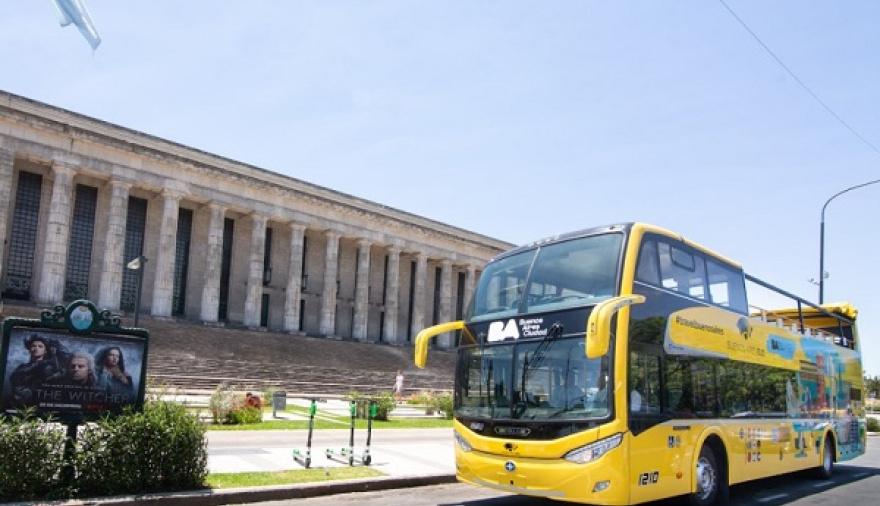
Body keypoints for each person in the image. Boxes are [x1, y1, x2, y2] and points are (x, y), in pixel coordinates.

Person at [9, 334, 67, 403]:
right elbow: (14, 381)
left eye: (40, 346)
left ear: (45, 351)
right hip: (19, 401)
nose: (36, 348)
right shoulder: (22, 367)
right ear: (29, 349)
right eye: (33, 346)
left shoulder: (48, 366)